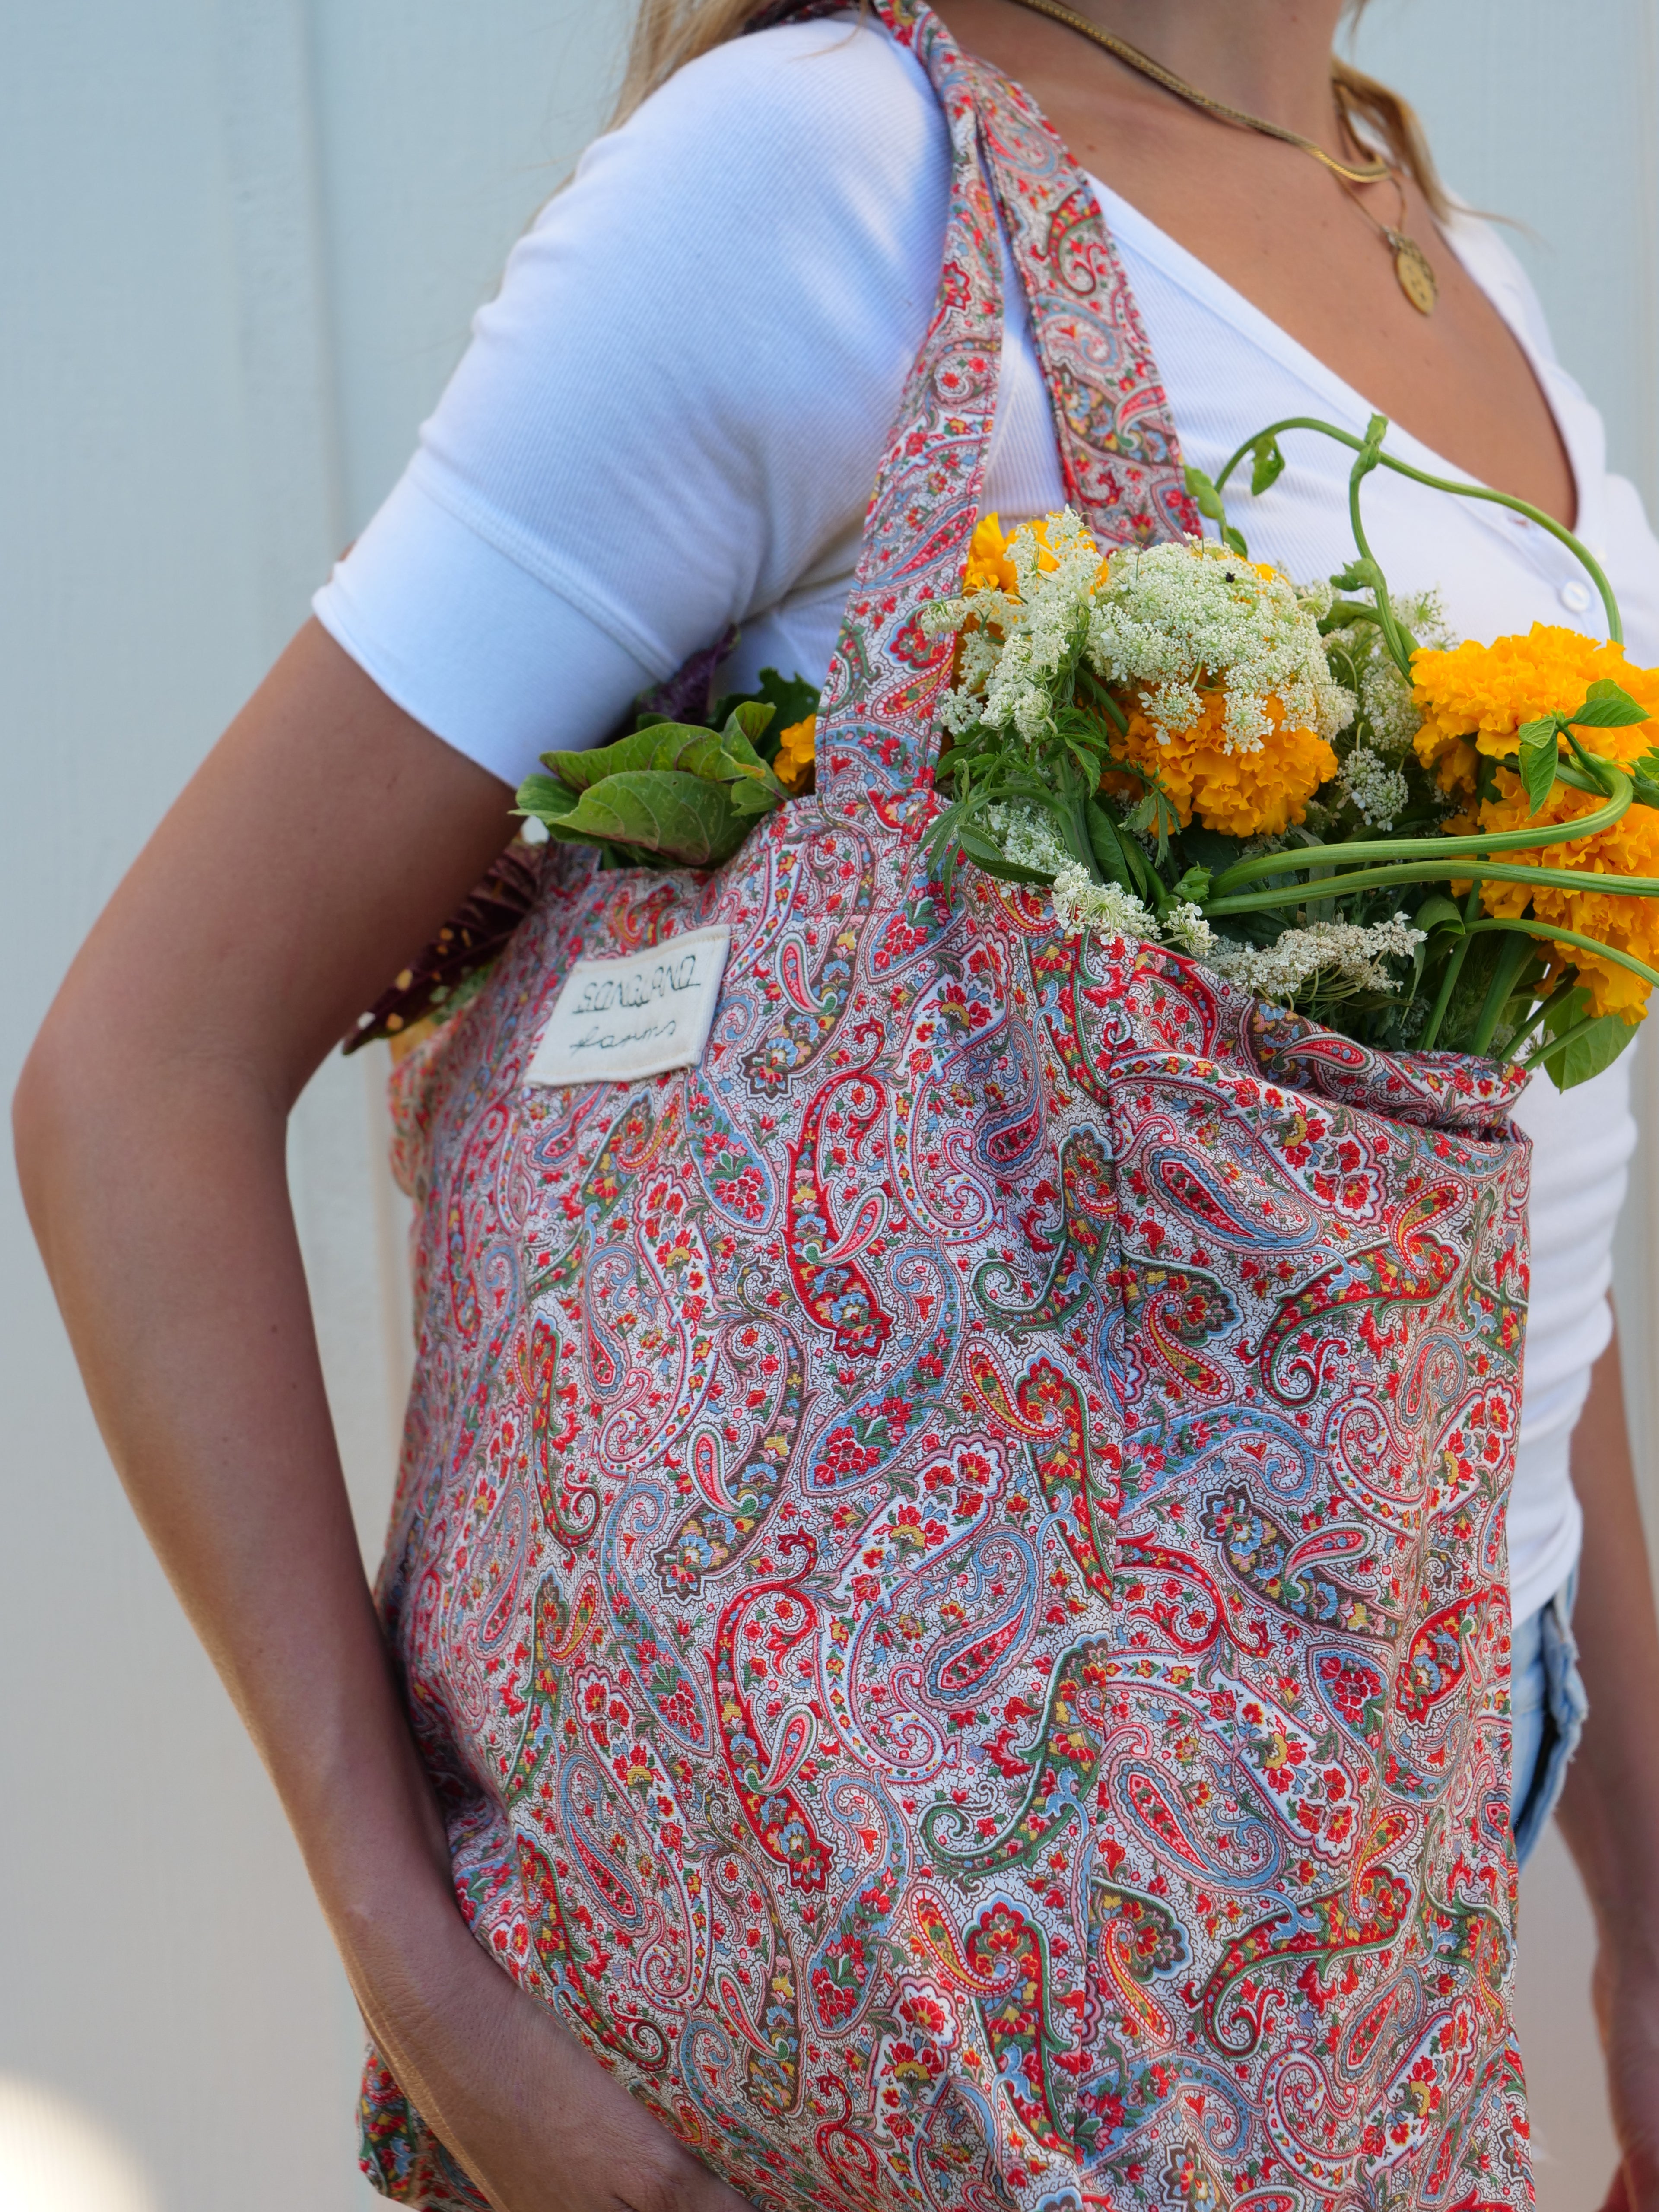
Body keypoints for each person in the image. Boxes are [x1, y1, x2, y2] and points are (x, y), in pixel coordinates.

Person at [14, 2, 1659, 2205]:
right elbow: (142, 1070)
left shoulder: (1443, 250)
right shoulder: (827, 182)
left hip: (1430, 1782)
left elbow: (1450, 1186)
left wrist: (1642, 1884)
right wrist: (422, 1982)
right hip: (957, 1871)